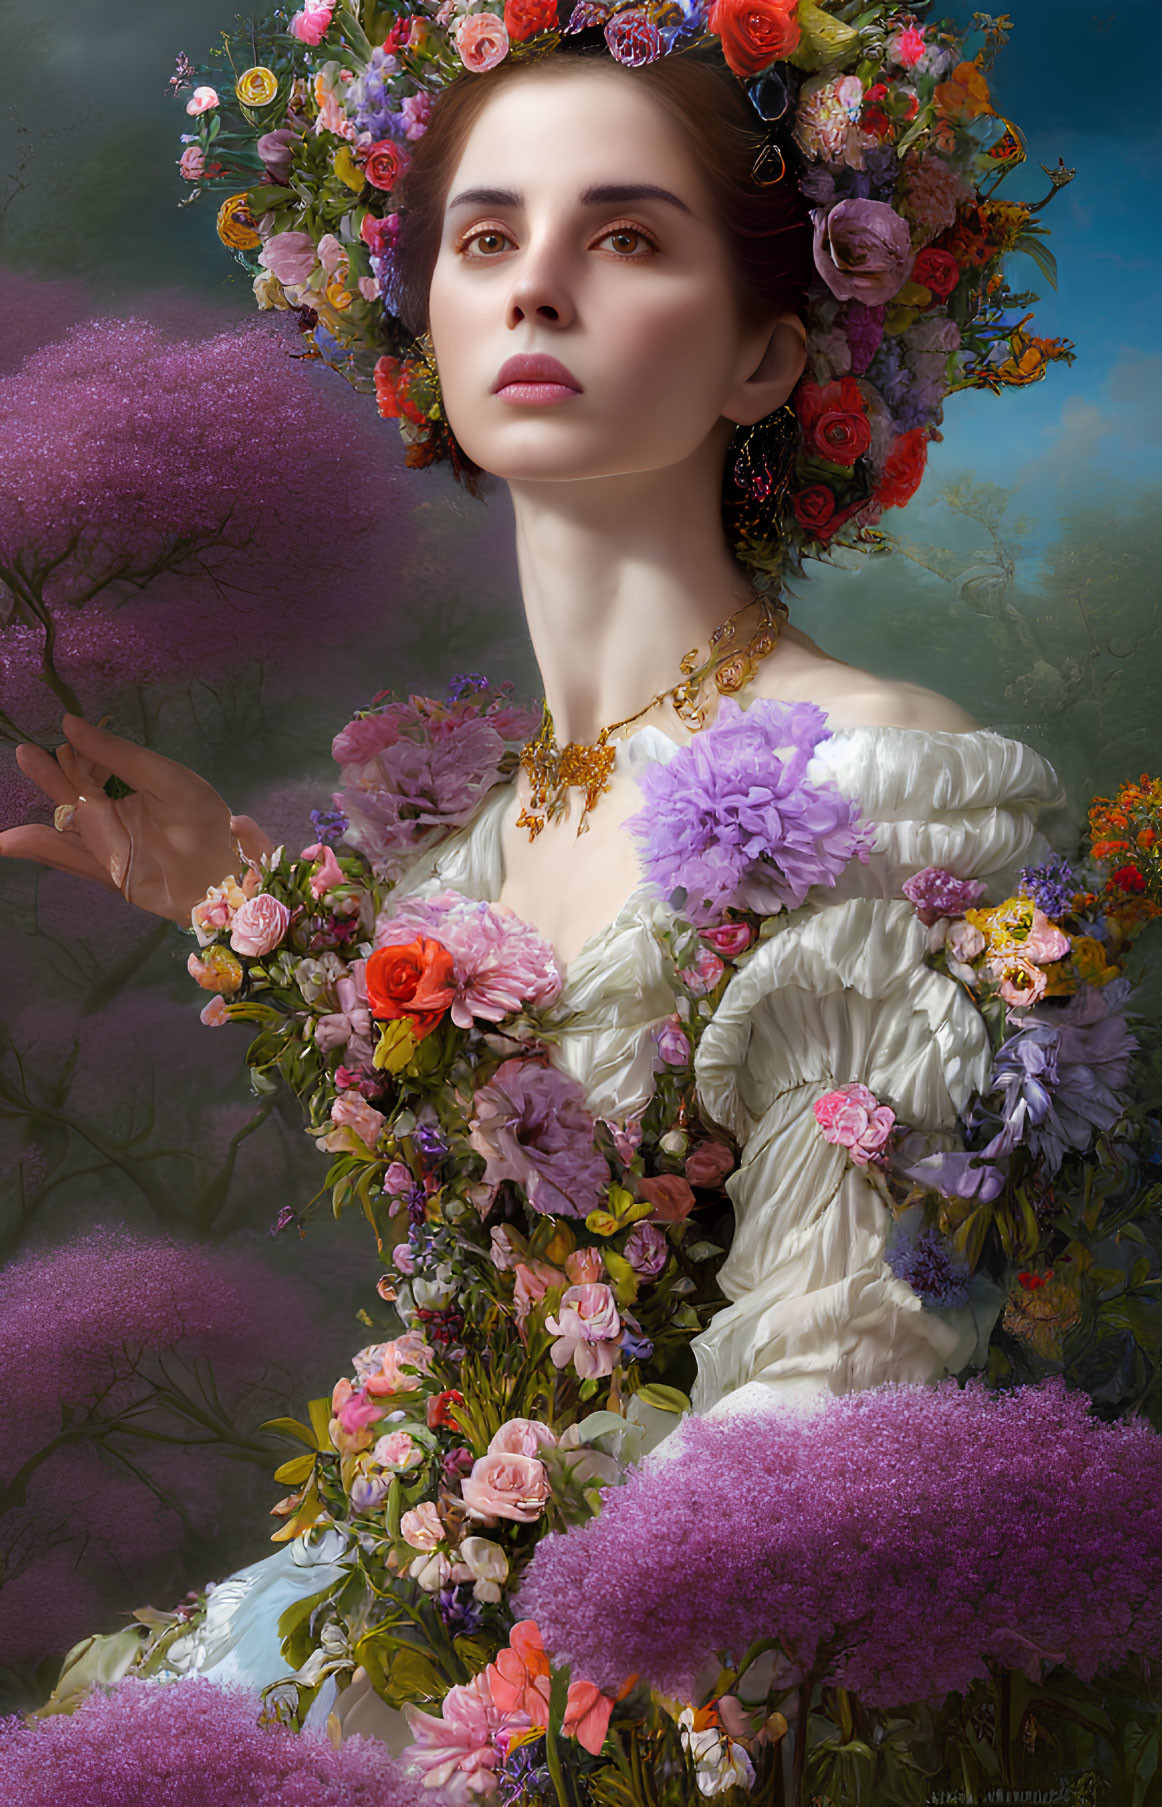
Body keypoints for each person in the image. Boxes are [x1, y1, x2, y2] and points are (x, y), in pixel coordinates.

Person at [0, 32, 1067, 1760]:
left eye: (628, 239)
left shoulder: (878, 788)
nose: (537, 292)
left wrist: (524, 1722)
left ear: (762, 355)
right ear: (418, 318)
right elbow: (503, 1196)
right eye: (485, 240)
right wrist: (241, 909)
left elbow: (829, 1395)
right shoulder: (462, 843)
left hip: (683, 1680)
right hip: (445, 1598)